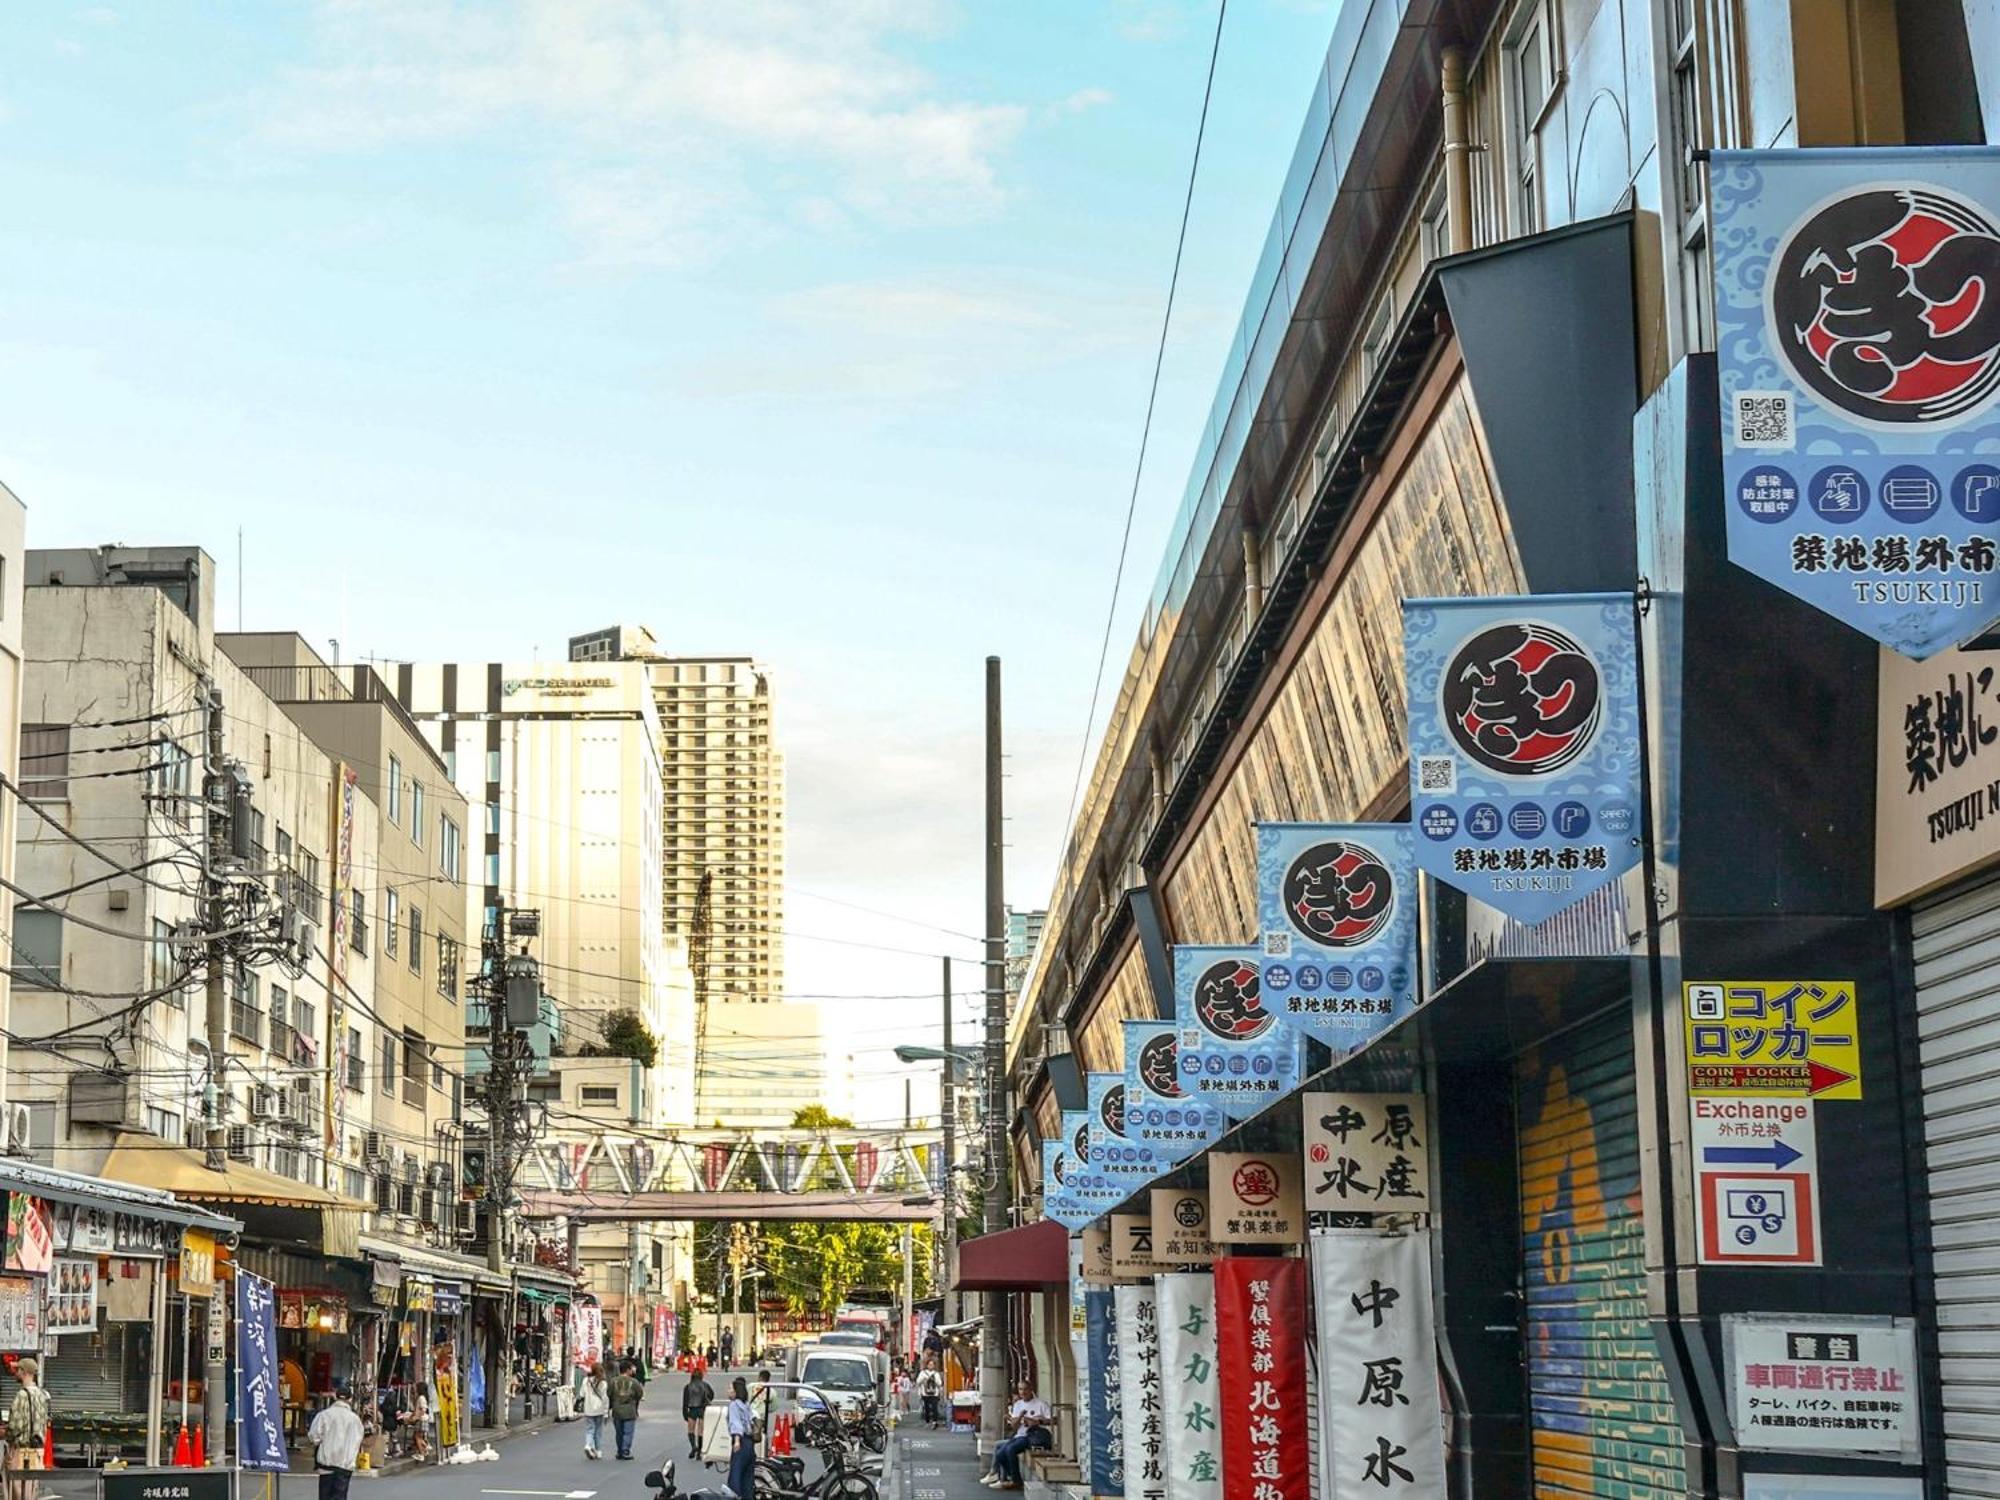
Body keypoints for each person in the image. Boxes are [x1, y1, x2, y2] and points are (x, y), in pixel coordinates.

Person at [980, 1381, 1052, 1491]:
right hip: (1020, 1435)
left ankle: (1015, 1480)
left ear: (1031, 1389)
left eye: (1025, 1389)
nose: (1023, 1392)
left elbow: (1052, 1420)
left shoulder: (1041, 1404)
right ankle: (1011, 1477)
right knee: (1000, 1453)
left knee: (1010, 1449)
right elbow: (1014, 1426)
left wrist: (1038, 1421)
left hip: (1033, 1436)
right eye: (1020, 1389)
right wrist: (1020, 1417)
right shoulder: (1018, 1405)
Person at [307, 1385, 364, 1500]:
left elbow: (314, 1437)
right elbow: (358, 1440)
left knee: (325, 1496)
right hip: (345, 1466)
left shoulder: (324, 1415)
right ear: (350, 1399)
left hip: (326, 1465)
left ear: (335, 1397)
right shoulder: (355, 1420)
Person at [724, 1376, 756, 1499]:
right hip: (750, 1443)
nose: (728, 1390)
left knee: (735, 1478)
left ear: (736, 1391)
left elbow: (735, 1424)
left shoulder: (733, 1405)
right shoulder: (746, 1405)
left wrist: (736, 1441)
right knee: (747, 1480)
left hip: (741, 1443)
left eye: (730, 1388)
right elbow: (751, 1422)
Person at [608, 1360, 645, 1461]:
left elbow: (609, 1393)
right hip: (629, 1409)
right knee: (628, 1432)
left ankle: (619, 1450)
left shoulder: (613, 1381)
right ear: (628, 1370)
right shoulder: (634, 1382)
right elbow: (639, 1394)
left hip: (617, 1409)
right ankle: (625, 1450)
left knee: (619, 1432)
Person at [681, 1365, 714, 1461]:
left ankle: (693, 1447)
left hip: (692, 1409)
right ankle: (699, 1451)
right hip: (703, 1409)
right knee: (701, 1431)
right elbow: (711, 1395)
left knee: (691, 1430)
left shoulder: (688, 1387)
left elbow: (685, 1402)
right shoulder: (705, 1385)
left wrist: (684, 1413)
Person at [579, 1364, 609, 1460]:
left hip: (588, 1408)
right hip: (599, 1409)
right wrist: (606, 1412)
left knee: (590, 1429)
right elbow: (605, 1398)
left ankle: (588, 1445)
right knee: (598, 1431)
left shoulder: (585, 1380)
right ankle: (598, 1451)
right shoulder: (603, 1383)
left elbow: (581, 1394)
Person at [916, 1359, 943, 1429]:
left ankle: (934, 1422)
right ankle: (927, 1421)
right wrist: (923, 1378)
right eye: (929, 1364)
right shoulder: (923, 1373)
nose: (931, 1366)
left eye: (932, 1364)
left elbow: (940, 1383)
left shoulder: (936, 1374)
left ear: (934, 1366)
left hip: (935, 1394)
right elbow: (918, 1382)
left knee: (935, 1408)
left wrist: (935, 1380)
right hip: (925, 1393)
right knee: (926, 1408)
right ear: (927, 1365)